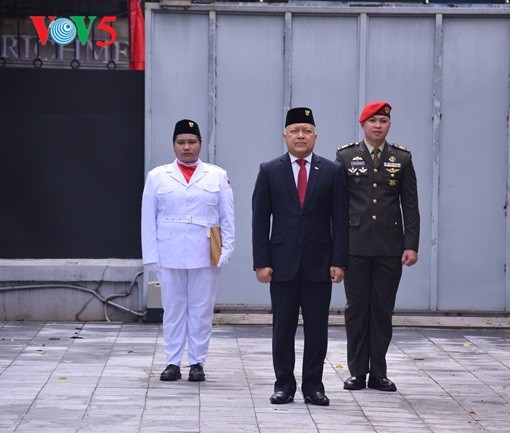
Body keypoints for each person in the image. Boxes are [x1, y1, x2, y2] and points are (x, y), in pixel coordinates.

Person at [252, 107, 348, 406]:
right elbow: (260, 219)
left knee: (317, 330)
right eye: (295, 131)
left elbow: (341, 219)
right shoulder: (269, 170)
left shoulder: (332, 171)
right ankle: (284, 385)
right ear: (285, 136)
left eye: (306, 130)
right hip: (282, 265)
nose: (301, 136)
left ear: (315, 136)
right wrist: (262, 262)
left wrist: (339, 260)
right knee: (283, 329)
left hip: (319, 264)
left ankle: (314, 387)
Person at [141, 119, 235, 382]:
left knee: (201, 309)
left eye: (191, 142)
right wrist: (151, 255)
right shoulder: (157, 176)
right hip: (169, 251)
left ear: (200, 145)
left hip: (206, 252)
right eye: (181, 142)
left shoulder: (217, 175)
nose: (186, 147)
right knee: (173, 309)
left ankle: (197, 362)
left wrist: (226, 250)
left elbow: (227, 218)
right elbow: (148, 219)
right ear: (173, 145)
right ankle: (172, 362)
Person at [335, 101, 420, 392]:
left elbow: (410, 204)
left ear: (389, 125)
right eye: (372, 121)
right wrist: (337, 247)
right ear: (363, 125)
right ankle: (358, 372)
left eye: (383, 121)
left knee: (382, 310)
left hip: (388, 247)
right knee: (357, 310)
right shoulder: (345, 156)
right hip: (355, 246)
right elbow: (337, 205)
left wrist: (411, 244)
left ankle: (379, 372)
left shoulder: (402, 158)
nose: (378, 126)